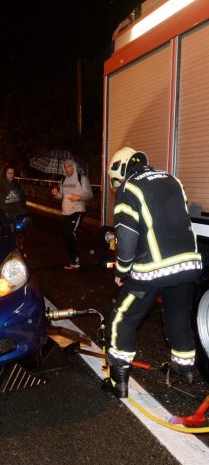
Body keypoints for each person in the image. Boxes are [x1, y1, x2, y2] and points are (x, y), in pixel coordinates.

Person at [102, 146, 203, 398]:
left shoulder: (130, 188)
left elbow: (127, 237)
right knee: (178, 314)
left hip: (153, 268)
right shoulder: (172, 179)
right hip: (188, 264)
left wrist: (122, 270)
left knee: (123, 317)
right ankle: (184, 369)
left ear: (120, 169)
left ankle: (118, 380)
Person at [51, 158, 93, 270]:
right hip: (66, 212)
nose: (67, 168)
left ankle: (76, 259)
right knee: (65, 236)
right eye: (65, 166)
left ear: (73, 166)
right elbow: (61, 196)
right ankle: (72, 260)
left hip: (77, 210)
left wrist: (79, 197)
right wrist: (55, 194)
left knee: (70, 233)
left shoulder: (82, 179)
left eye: (69, 166)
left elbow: (89, 194)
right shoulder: (63, 180)